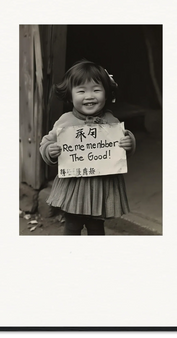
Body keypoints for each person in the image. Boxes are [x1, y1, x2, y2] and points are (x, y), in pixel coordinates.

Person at [39, 59, 136, 235]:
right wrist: (50, 150)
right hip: (74, 188)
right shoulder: (65, 121)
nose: (89, 96)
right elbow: (46, 142)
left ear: (106, 94)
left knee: (96, 227)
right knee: (72, 226)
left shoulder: (111, 122)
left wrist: (128, 143)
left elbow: (119, 150)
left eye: (96, 90)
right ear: (70, 95)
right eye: (81, 91)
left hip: (101, 187)